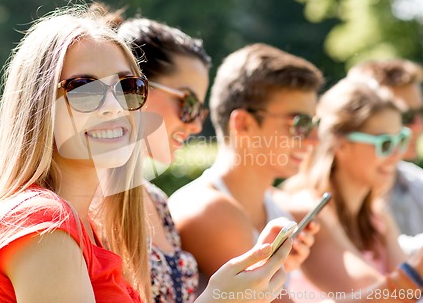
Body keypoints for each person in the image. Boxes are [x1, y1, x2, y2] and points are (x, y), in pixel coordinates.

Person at [0, 3, 293, 303]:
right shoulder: (42, 222)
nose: (113, 106)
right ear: (38, 105)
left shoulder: (87, 228)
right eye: (84, 88)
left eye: (127, 87)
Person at [169, 43, 323, 302]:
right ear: (243, 124)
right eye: (301, 124)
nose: (314, 139)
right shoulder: (209, 210)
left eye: (315, 124)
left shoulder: (273, 203)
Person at [280, 76, 423, 302]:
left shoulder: (377, 213)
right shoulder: (306, 211)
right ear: (341, 144)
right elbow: (380, 294)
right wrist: (416, 272)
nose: (397, 154)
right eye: (385, 143)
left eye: (401, 140)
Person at [117, 17, 209, 303]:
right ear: (136, 87)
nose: (195, 126)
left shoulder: (156, 199)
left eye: (199, 111)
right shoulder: (78, 201)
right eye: (188, 104)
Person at [347, 60, 423, 245]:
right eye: (405, 117)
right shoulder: (316, 201)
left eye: (421, 112)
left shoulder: (415, 182)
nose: (419, 126)